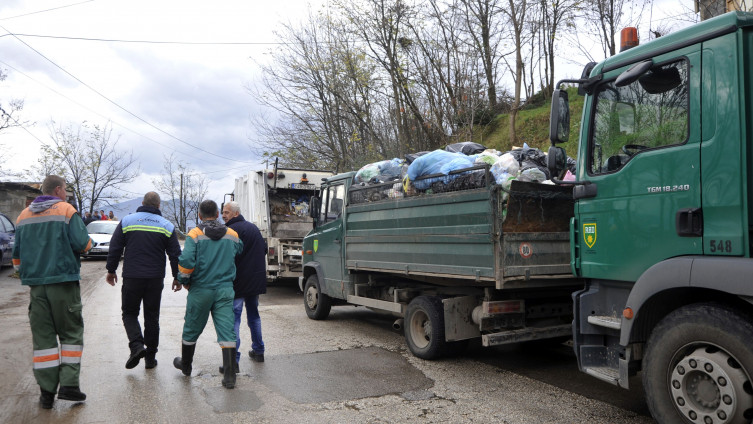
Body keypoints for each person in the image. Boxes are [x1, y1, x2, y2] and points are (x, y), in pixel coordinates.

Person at [12, 175, 92, 409]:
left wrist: (31, 272)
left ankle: (46, 393)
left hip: (36, 288)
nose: (66, 194)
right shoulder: (66, 211)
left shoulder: (23, 216)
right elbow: (83, 244)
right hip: (63, 284)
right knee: (71, 334)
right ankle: (69, 387)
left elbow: (17, 258)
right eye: (65, 190)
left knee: (44, 341)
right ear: (57, 190)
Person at [106, 192, 182, 370]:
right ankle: (150, 358)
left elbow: (115, 247)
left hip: (132, 277)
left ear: (142, 203)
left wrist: (111, 270)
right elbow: (175, 254)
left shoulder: (127, 221)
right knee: (152, 317)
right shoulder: (166, 225)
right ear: (158, 206)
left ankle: (136, 346)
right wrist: (178, 277)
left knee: (129, 313)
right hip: (155, 279)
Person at [173, 200, 242, 389]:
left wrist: (184, 281)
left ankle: (186, 366)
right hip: (224, 290)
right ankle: (229, 376)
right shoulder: (233, 234)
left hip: (201, 289)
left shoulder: (194, 234)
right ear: (218, 213)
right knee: (227, 329)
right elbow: (239, 250)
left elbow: (186, 263)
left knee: (191, 328)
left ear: (200, 216)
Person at [220, 201, 266, 374]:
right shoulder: (253, 228)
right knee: (254, 316)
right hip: (255, 281)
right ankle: (259, 351)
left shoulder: (231, 231)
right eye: (223, 212)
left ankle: (234, 361)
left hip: (238, 282)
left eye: (226, 212)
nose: (223, 215)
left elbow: (227, 256)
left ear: (236, 214)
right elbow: (264, 250)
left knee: (234, 320)